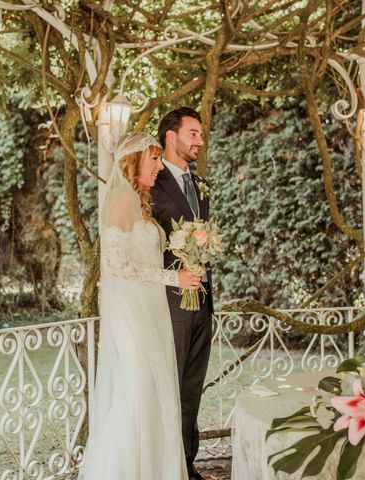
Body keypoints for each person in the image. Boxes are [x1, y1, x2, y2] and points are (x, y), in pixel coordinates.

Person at [79, 132, 201, 480]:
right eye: (152, 158)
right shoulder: (119, 198)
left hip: (149, 310)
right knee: (137, 394)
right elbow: (117, 266)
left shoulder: (138, 200)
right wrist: (172, 279)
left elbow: (141, 258)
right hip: (131, 314)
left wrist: (182, 264)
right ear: (133, 161)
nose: (159, 166)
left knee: (151, 393)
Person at [151, 107, 214, 480]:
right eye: (192, 133)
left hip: (203, 301)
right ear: (171, 137)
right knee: (170, 388)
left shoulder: (202, 184)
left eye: (200, 134)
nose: (199, 141)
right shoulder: (151, 185)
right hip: (168, 306)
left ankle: (187, 465)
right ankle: (167, 466)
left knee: (192, 388)